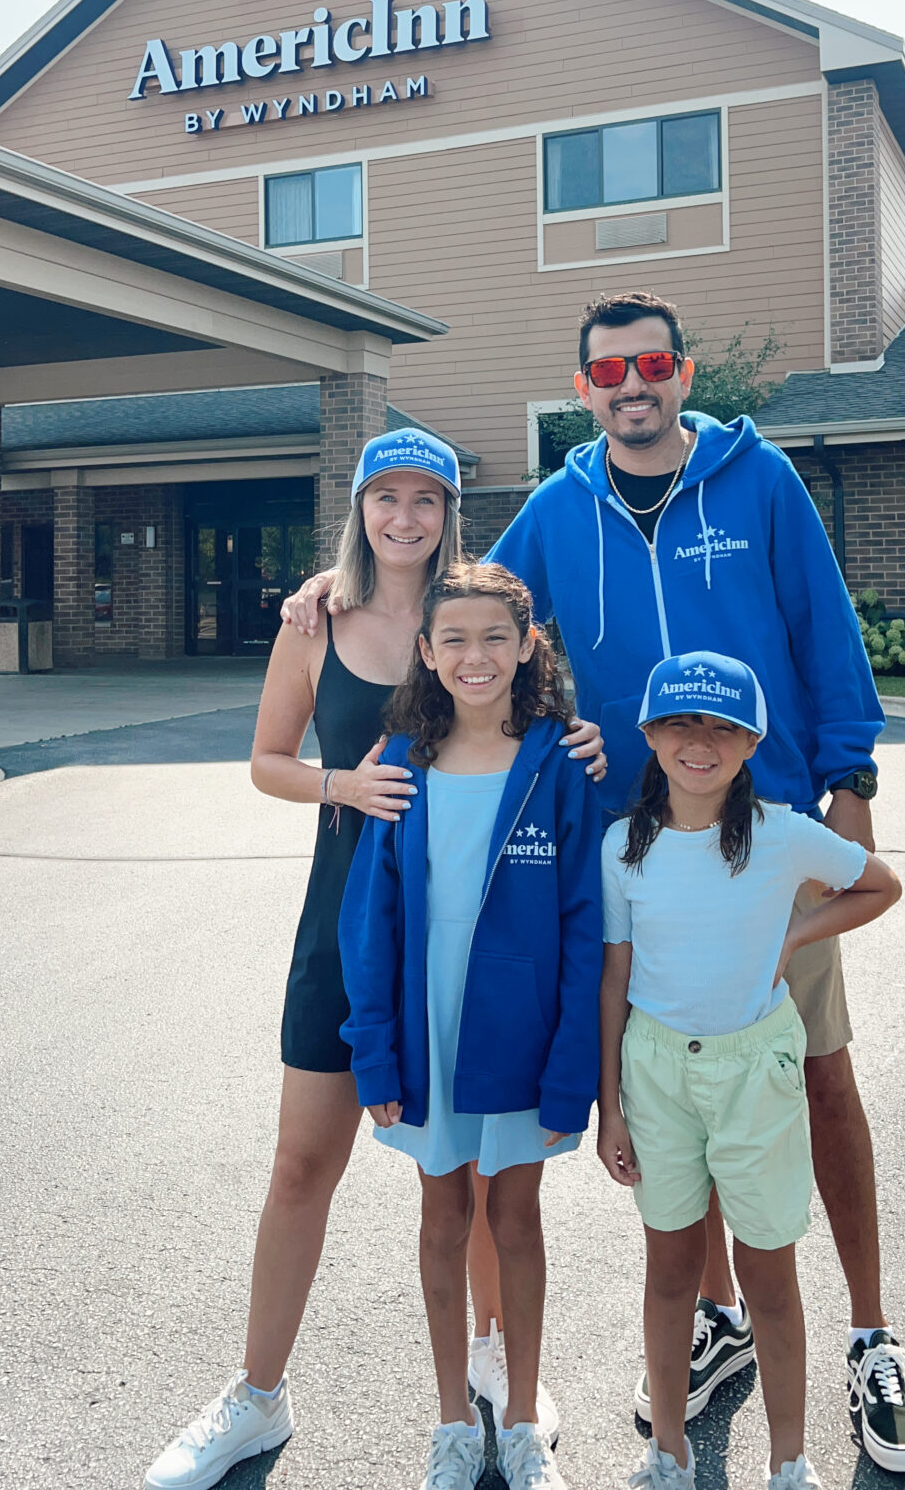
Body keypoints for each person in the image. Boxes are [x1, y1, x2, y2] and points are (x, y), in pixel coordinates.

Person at [284, 288, 905, 1472]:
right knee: (679, 1089)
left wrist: (852, 776)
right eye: (606, 373)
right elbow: (467, 608)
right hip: (628, 858)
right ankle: (722, 1324)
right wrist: (342, 597)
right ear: (583, 390)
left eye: (651, 364)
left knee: (816, 1084)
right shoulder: (558, 507)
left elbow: (823, 627)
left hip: (758, 833)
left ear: (684, 372)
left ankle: (872, 1337)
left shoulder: (760, 484)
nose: (631, 386)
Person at [144, 433, 603, 1490]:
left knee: (481, 1177)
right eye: (385, 497)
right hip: (346, 931)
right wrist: (335, 788)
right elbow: (265, 762)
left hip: (476, 948)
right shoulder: (316, 622)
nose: (405, 517)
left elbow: (541, 719)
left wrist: (584, 745)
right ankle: (257, 1396)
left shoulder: (476, 620)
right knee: (304, 1163)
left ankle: (495, 1363)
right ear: (358, 508)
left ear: (450, 511)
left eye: (426, 498)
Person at [598, 654, 903, 1490]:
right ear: (651, 736)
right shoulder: (622, 848)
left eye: (724, 727)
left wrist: (796, 937)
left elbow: (880, 884)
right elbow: (615, 980)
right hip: (657, 1075)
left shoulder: (781, 835)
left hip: (755, 1074)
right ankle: (668, 1450)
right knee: (669, 1267)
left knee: (769, 1270)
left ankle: (789, 1462)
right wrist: (610, 1110)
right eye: (682, 724)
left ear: (752, 742)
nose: (701, 743)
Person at [339, 562, 602, 1490]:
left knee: (517, 1216)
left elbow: (584, 924)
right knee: (443, 1214)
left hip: (521, 1036)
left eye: (495, 636)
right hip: (425, 1032)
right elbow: (370, 921)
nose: (475, 655)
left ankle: (523, 1420)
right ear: (426, 652)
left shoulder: (559, 764)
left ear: (527, 646)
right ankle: (454, 1422)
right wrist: (374, 1054)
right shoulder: (401, 762)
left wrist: (578, 1071)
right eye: (453, 639)